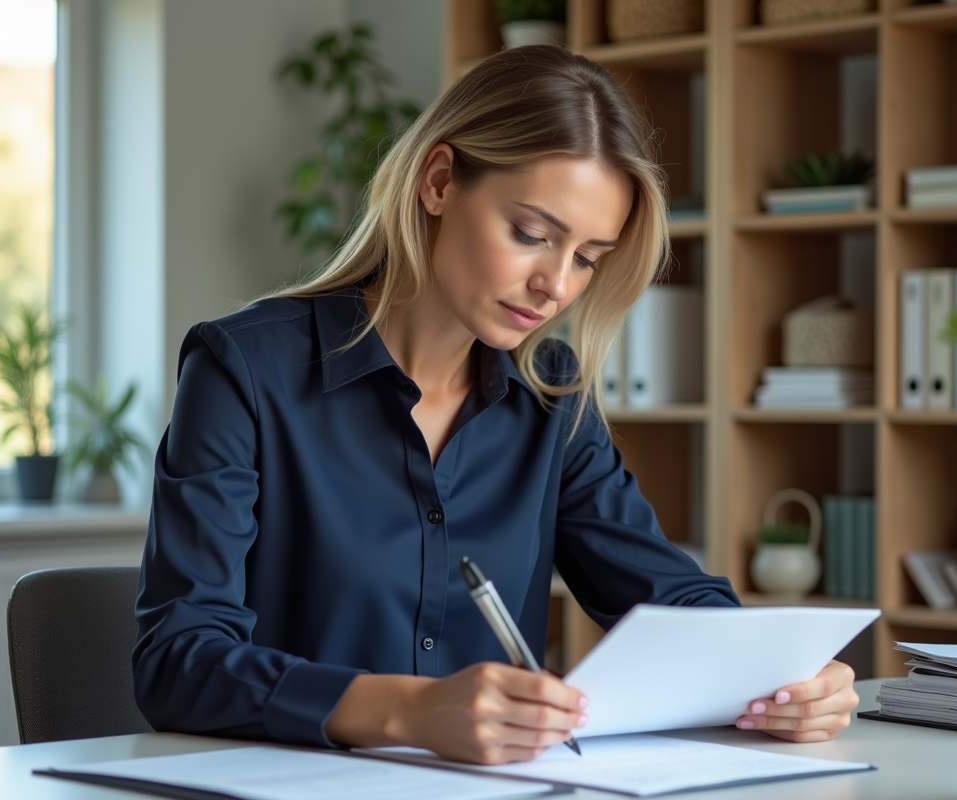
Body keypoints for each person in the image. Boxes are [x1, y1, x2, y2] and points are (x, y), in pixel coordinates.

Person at [132, 44, 858, 766]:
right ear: (440, 181)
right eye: (533, 236)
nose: (557, 287)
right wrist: (410, 711)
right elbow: (177, 660)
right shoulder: (245, 369)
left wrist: (782, 678)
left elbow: (666, 599)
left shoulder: (553, 396)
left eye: (587, 257)